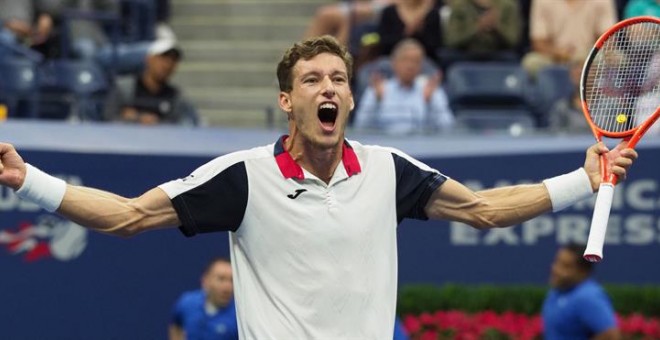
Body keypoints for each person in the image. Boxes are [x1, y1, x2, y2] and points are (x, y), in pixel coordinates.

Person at [0, 35, 638, 339]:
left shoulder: (390, 170)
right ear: (287, 100)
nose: (327, 88)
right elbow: (127, 217)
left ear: (352, 97)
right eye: (311, 80)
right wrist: (29, 180)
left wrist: (583, 179)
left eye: (338, 78)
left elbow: (484, 210)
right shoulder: (242, 177)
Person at [353, 38, 454, 134]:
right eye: (405, 60)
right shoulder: (379, 89)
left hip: (422, 147)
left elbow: (447, 127)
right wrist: (377, 101)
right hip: (385, 146)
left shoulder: (429, 89)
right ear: (394, 63)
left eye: (415, 61)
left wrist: (430, 103)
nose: (410, 66)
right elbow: (361, 126)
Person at [103, 38, 199, 126]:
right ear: (149, 59)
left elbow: (183, 125)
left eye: (173, 60)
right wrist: (135, 120)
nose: (167, 65)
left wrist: (152, 122)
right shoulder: (125, 88)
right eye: (163, 58)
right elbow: (109, 118)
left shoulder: (176, 97)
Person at [542, 244, 620, 339]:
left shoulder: (589, 297)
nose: (556, 269)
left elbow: (610, 336)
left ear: (583, 271)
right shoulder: (556, 292)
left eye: (566, 266)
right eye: (557, 262)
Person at [522, 0, 617, 77]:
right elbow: (538, 41)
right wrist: (558, 53)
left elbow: (608, 38)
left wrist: (586, 54)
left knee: (618, 60)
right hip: (554, 57)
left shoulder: (603, 1)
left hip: (589, 54)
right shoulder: (542, 1)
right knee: (531, 61)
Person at [169, 257, 239, 340]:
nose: (227, 287)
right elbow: (176, 325)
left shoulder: (238, 316)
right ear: (205, 281)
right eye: (221, 279)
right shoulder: (187, 303)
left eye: (231, 280)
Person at [442, 0, 521, 65]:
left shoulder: (508, 6)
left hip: (498, 54)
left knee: (513, 58)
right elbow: (451, 40)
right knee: (446, 57)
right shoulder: (459, 5)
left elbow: (513, 41)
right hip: (466, 53)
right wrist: (478, 28)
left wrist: (496, 27)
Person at [376, 0, 443, 67]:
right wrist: (406, 33)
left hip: (423, 60)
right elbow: (383, 41)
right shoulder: (389, 12)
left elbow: (435, 45)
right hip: (391, 59)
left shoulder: (432, 14)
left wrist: (419, 32)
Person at [303, 0, 394, 48]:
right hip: (356, 9)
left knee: (328, 15)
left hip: (385, 12)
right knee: (325, 15)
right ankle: (305, 53)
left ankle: (305, 54)